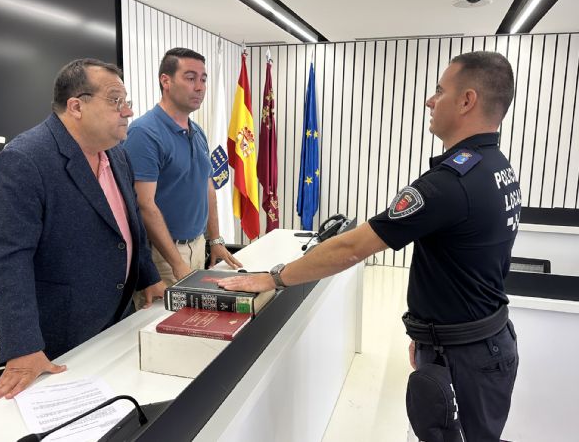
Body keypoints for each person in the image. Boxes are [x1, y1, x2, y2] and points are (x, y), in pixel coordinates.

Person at [219, 51, 520, 441]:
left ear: (467, 101)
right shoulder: (497, 166)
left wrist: (274, 277)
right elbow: (467, 262)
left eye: (440, 90)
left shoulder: (449, 183)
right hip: (484, 342)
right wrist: (428, 334)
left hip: (465, 356)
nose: (430, 100)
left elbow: (352, 247)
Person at [0, 58, 165, 401]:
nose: (127, 112)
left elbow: (129, 223)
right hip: (52, 339)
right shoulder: (26, 159)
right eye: (115, 101)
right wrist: (22, 347)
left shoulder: (116, 154)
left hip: (113, 320)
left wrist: (148, 275)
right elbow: (5, 258)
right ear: (76, 106)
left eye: (127, 101)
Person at [123, 47, 241, 309]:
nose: (199, 87)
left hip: (197, 247)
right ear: (166, 81)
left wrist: (216, 240)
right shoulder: (144, 133)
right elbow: (144, 205)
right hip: (162, 257)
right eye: (190, 78)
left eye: (203, 78)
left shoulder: (197, 131)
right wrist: (177, 263)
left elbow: (206, 186)